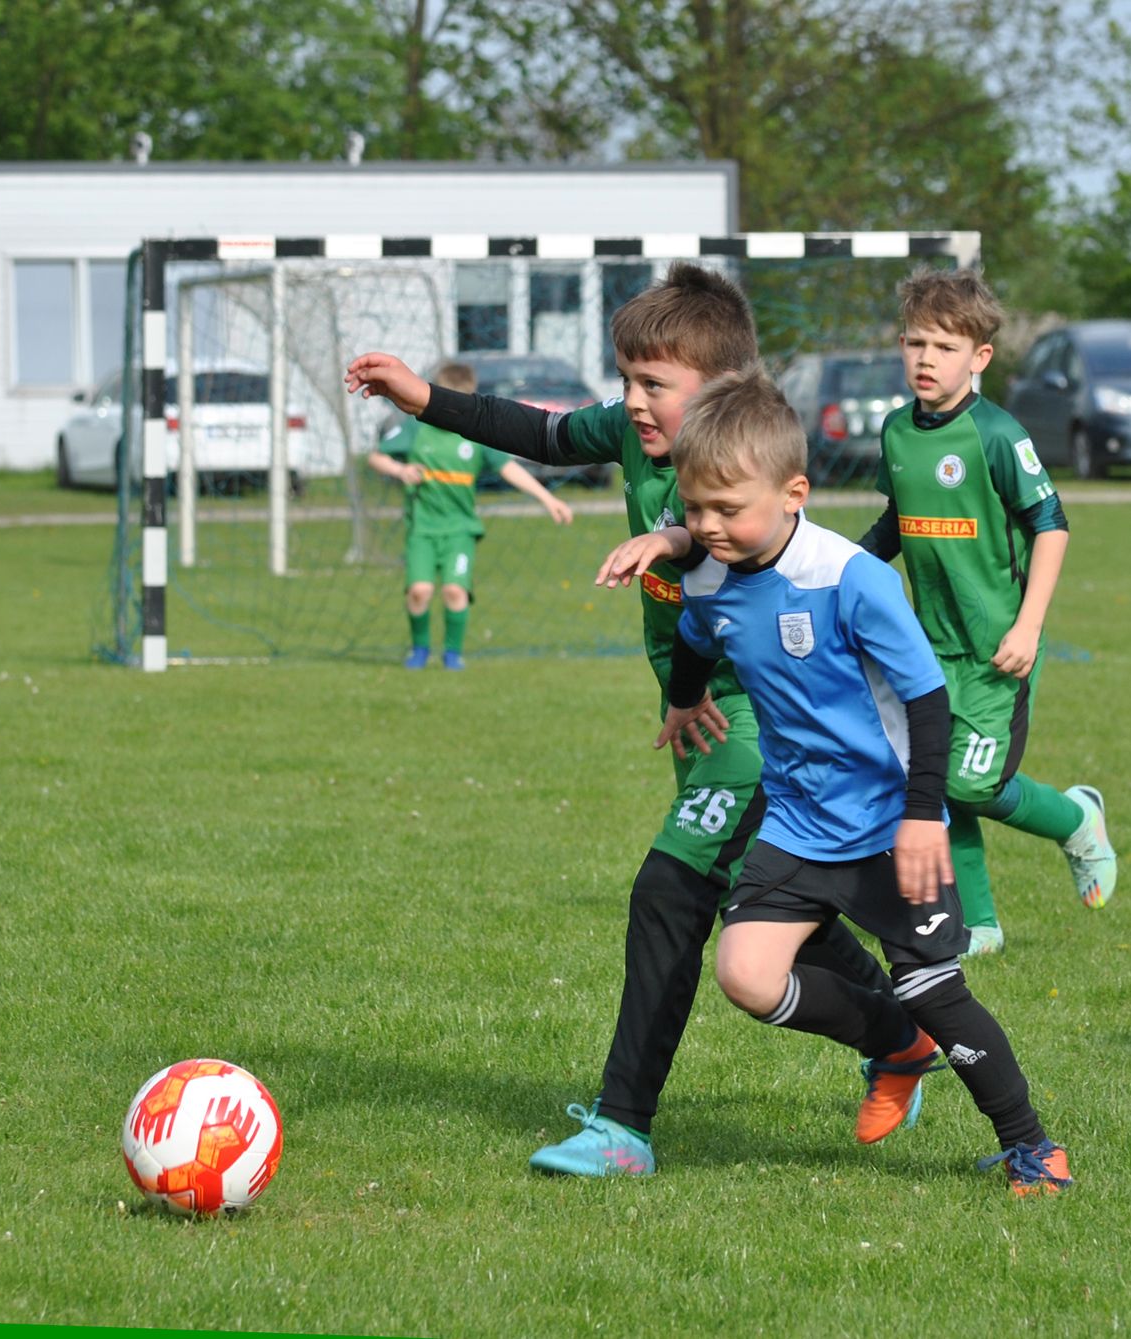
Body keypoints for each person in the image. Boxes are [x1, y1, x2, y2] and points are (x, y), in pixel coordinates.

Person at [345, 265, 903, 1177]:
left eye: (656, 385)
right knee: (767, 899)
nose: (635, 403)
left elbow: (742, 557)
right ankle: (899, 1034)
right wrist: (422, 396)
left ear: (722, 391)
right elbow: (538, 430)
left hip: (767, 730)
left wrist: (677, 538)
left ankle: (623, 1128)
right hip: (702, 719)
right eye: (629, 380)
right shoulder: (636, 437)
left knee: (669, 890)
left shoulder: (747, 474)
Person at [658, 367, 1072, 1193]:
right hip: (798, 821)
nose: (708, 527)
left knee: (936, 988)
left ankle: (1033, 1144)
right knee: (744, 973)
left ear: (795, 493)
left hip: (890, 823)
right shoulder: (710, 574)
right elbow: (699, 635)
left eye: (727, 510)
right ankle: (895, 1043)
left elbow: (925, 701)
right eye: (694, 509)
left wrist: (923, 816)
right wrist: (682, 699)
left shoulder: (852, 578)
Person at [860, 268, 1117, 956]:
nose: (924, 359)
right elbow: (898, 522)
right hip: (926, 647)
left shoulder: (997, 434)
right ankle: (980, 925)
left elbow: (1052, 524)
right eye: (914, 343)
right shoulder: (896, 432)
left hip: (996, 648)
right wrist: (844, 572)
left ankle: (1075, 819)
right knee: (936, 782)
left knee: (972, 782)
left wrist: (1029, 625)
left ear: (979, 357)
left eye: (944, 347)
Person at [364, 359, 574, 670]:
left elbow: (509, 468)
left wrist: (547, 498)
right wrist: (401, 469)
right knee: (420, 591)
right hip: (422, 528)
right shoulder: (417, 428)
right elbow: (376, 458)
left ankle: (452, 654)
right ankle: (420, 650)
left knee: (453, 590)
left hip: (460, 529)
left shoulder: (474, 435)